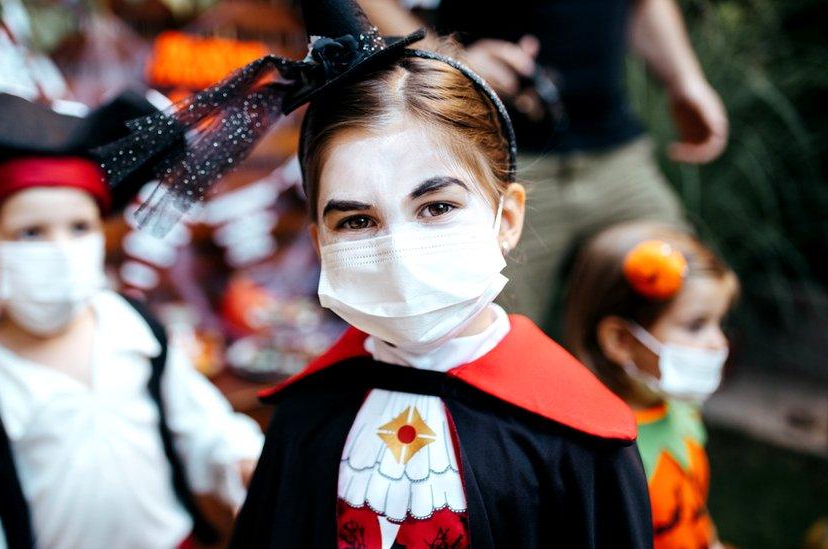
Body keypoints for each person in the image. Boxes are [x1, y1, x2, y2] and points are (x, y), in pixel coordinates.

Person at [100, 0, 652, 546]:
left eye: (436, 207)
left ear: (506, 218)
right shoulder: (304, 420)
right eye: (358, 220)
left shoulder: (578, 438)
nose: (400, 250)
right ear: (320, 240)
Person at [0, 90, 264, 549]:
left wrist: (240, 458)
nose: (62, 250)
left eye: (79, 227)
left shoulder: (137, 332)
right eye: (31, 232)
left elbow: (202, 427)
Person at [358, 0, 729, 325]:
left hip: (616, 155)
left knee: (678, 300)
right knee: (490, 337)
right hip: (497, 165)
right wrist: (447, 57)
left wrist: (685, 80)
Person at [563, 220, 739, 549]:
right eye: (696, 325)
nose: (719, 342)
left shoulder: (682, 408)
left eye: (720, 322)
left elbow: (691, 507)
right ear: (620, 340)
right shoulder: (598, 455)